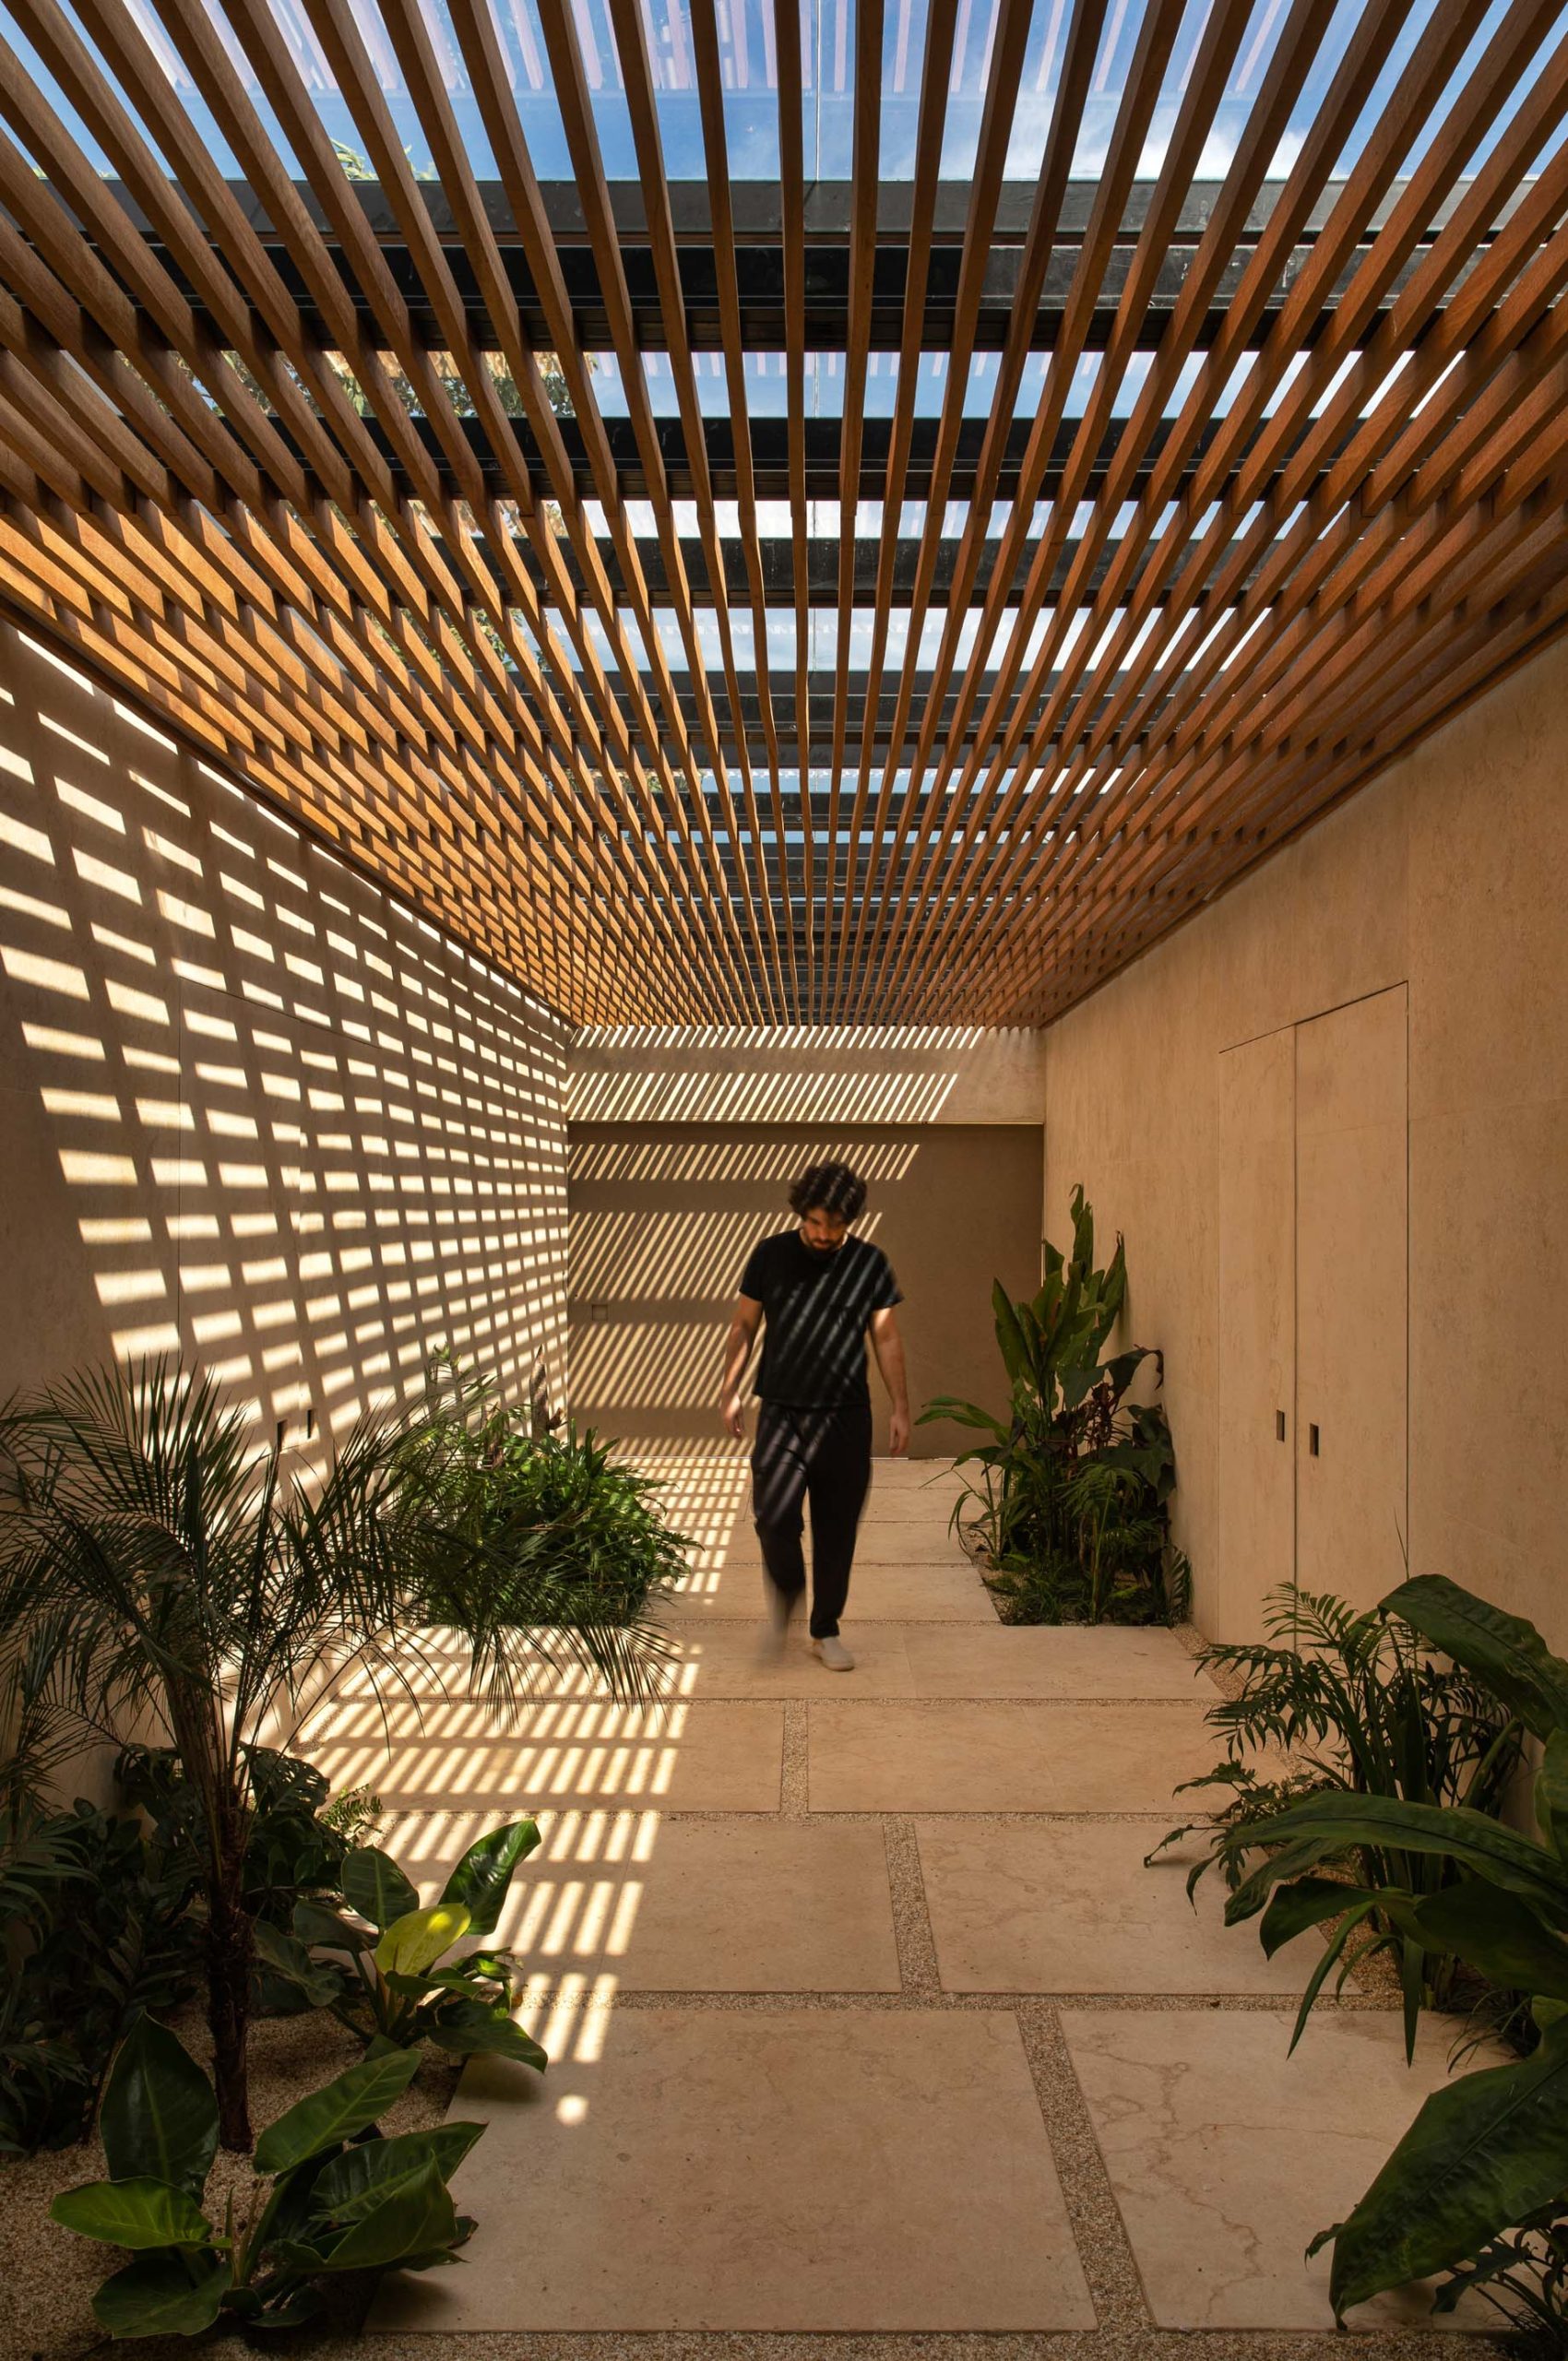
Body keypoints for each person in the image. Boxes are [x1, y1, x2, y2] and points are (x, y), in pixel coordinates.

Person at [719, 1161, 909, 1671]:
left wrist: (900, 1407)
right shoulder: (770, 1254)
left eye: (836, 1225)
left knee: (836, 1529)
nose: (824, 1234)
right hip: (782, 1411)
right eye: (816, 1222)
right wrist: (729, 1389)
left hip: (846, 1416)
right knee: (773, 1517)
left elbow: (886, 1337)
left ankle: (825, 1630)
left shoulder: (870, 1263)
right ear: (801, 1212)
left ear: (850, 1221)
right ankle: (788, 1591)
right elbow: (744, 1324)